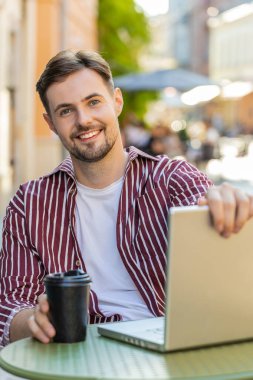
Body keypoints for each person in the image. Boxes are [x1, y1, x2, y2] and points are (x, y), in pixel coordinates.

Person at [0, 50, 252, 347]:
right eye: (66, 111)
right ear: (51, 123)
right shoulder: (30, 204)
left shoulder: (172, 179)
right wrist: (33, 322)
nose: (84, 120)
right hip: (74, 355)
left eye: (93, 102)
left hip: (167, 350)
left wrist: (224, 201)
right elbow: (10, 304)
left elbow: (205, 204)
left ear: (116, 102)